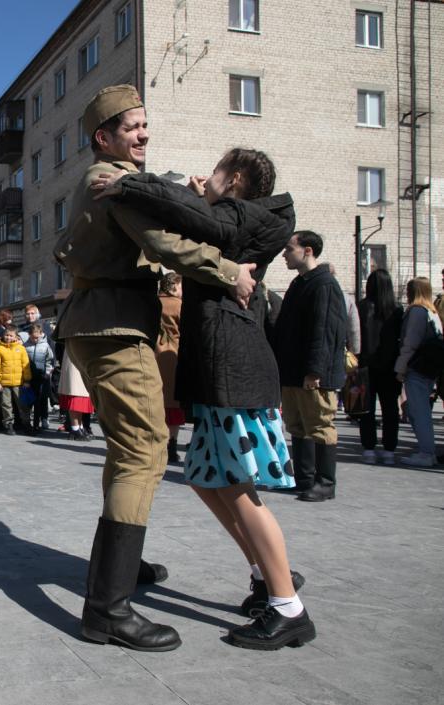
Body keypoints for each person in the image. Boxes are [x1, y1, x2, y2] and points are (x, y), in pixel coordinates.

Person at [54, 85, 257, 652]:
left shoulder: (115, 180)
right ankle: (107, 609)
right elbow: (162, 242)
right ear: (104, 138)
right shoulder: (110, 181)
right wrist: (229, 272)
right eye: (132, 127)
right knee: (145, 449)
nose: (143, 133)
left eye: (146, 125)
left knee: (129, 449)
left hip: (108, 319)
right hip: (114, 325)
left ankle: (123, 568)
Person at [95, 147, 314, 650]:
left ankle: (287, 606)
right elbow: (197, 219)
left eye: (215, 170)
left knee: (237, 485)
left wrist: (128, 185)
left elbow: (189, 214)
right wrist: (196, 197)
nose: (203, 177)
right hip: (223, 365)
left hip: (233, 367)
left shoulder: (242, 215)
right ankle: (266, 574)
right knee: (207, 479)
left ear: (233, 179)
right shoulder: (238, 217)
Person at [273, 231, 347, 501]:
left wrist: (315, 370)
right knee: (297, 425)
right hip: (293, 372)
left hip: (313, 374)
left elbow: (325, 331)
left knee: (320, 425)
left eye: (289, 249)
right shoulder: (298, 284)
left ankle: (325, 483)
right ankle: (304, 478)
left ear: (307, 251)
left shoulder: (324, 284)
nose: (284, 254)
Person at [395, 277, 442, 467]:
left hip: (417, 367)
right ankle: (427, 450)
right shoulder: (432, 312)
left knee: (418, 411)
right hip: (429, 367)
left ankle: (426, 451)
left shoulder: (416, 312)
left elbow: (410, 343)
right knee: (421, 410)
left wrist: (400, 368)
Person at [356, 270, 402, 465]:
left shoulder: (363, 307)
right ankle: (390, 450)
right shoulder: (397, 309)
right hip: (390, 366)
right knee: (390, 409)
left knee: (366, 409)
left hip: (366, 365)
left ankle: (369, 448)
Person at [155, 273, 184, 463]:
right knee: (173, 403)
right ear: (174, 286)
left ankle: (156, 445)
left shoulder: (153, 302)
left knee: (156, 401)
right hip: (173, 354)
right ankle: (171, 446)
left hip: (152, 353)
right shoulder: (178, 305)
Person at [0, 324, 32, 435]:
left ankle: (26, 424)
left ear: (15, 337)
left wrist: (27, 380)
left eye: (11, 335)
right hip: (4, 383)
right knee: (6, 405)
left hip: (19, 383)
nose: (8, 337)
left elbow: (26, 366)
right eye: (6, 335)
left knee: (22, 405)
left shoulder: (21, 349)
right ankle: (8, 424)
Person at [24, 323, 55, 435]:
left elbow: (50, 361)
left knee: (39, 401)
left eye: (37, 337)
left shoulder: (46, 346)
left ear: (41, 334)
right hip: (30, 377)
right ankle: (28, 423)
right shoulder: (26, 346)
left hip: (42, 377)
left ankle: (37, 423)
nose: (35, 339)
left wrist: (47, 373)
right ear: (29, 335)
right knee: (29, 401)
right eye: (33, 337)